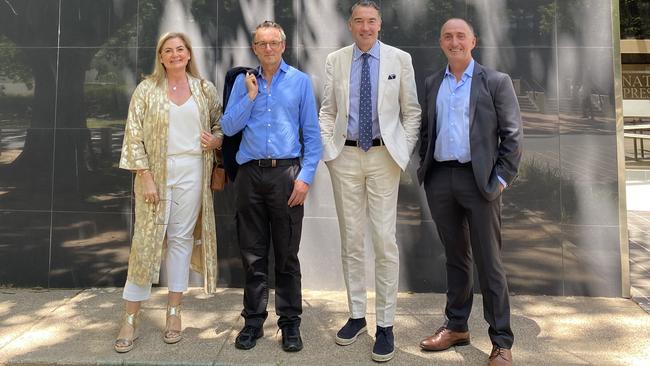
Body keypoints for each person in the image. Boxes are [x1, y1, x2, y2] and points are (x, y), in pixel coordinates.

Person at [318, 1, 421, 362]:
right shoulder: (336, 60)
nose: (365, 27)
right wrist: (329, 153)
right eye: (359, 21)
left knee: (383, 240)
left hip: (383, 158)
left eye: (371, 21)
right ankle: (357, 315)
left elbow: (412, 113)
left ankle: (387, 325)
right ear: (350, 24)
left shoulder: (399, 59)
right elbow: (327, 110)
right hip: (344, 157)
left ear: (380, 24)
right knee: (352, 240)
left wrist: (400, 154)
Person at [417, 18, 523, 366]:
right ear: (441, 42)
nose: (454, 41)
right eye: (447, 36)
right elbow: (426, 132)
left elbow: (512, 136)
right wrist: (426, 170)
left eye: (460, 35)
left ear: (473, 41)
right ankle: (457, 326)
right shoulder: (433, 82)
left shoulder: (495, 81)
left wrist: (501, 179)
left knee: (489, 262)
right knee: (455, 258)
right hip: (441, 180)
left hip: (480, 183)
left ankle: (501, 341)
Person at [114, 32, 223, 353]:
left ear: (189, 54)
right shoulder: (147, 89)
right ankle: (130, 317)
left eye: (180, 49)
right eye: (168, 50)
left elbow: (219, 126)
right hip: (156, 174)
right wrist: (145, 176)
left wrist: (216, 141)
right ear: (160, 57)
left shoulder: (204, 89)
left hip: (193, 171)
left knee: (181, 240)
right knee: (145, 242)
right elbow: (133, 136)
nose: (175, 54)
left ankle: (174, 311)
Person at [221, 20, 321, 353]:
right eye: (262, 43)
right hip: (250, 176)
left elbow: (312, 135)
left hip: (286, 176)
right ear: (254, 48)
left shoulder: (300, 82)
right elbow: (228, 126)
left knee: (287, 256)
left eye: (273, 43)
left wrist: (305, 178)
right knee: (252, 254)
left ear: (283, 45)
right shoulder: (242, 82)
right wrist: (249, 97)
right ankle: (253, 322)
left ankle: (290, 324)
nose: (268, 49)